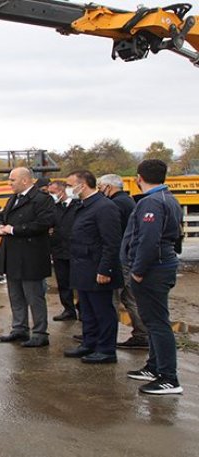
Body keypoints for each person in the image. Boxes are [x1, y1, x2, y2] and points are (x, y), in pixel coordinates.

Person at [122, 159, 184, 395]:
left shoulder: (152, 202)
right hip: (158, 267)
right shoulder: (168, 198)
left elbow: (148, 240)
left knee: (157, 323)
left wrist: (137, 270)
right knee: (152, 320)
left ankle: (169, 377)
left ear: (139, 178)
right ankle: (155, 367)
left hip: (153, 270)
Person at [62, 171, 123, 364]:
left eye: (71, 185)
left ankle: (106, 349)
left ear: (83, 184)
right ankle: (90, 343)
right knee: (87, 310)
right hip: (82, 267)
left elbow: (111, 243)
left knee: (103, 311)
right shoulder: (84, 205)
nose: (68, 189)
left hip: (97, 268)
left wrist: (105, 270)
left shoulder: (104, 207)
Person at [0, 167, 55, 348]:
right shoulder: (13, 199)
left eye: (12, 180)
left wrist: (14, 230)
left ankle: (40, 332)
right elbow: (1, 217)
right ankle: (19, 328)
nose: (9, 183)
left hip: (31, 255)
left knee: (34, 295)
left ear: (25, 180)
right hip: (12, 254)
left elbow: (44, 223)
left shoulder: (42, 199)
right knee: (15, 294)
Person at [99, 173, 148, 349]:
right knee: (129, 296)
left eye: (100, 187)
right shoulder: (127, 201)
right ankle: (142, 333)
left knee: (120, 297)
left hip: (120, 258)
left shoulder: (115, 204)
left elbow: (112, 234)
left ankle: (138, 335)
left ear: (108, 187)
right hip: (126, 255)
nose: (99, 190)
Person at [48, 181, 80, 321]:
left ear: (62, 191)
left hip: (75, 250)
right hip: (59, 250)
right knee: (63, 282)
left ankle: (83, 309)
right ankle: (68, 309)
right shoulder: (54, 208)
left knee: (79, 282)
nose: (52, 195)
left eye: (53, 192)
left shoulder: (77, 206)